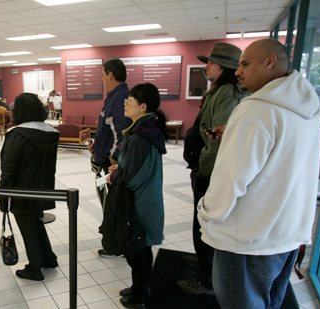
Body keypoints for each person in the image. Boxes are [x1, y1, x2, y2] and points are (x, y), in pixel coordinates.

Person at [197, 39, 320, 309]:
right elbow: (284, 157)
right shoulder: (308, 109)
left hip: (248, 242)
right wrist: (235, 134)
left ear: (270, 62)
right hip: (286, 235)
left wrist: (206, 213)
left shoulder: (255, 109)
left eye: (245, 64)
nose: (238, 71)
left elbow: (230, 178)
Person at [178, 43, 248, 295]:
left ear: (225, 67)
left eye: (211, 62)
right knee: (202, 223)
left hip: (210, 173)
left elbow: (219, 141)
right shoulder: (220, 90)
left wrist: (203, 168)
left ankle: (207, 279)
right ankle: (204, 260)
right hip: (204, 169)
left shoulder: (228, 93)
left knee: (207, 224)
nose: (206, 66)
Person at [107, 83, 167, 308]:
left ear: (143, 107)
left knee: (138, 252)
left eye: (129, 100)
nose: (124, 102)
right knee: (139, 249)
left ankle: (140, 295)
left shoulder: (141, 136)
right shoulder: (144, 130)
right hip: (144, 199)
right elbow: (135, 168)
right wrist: (120, 168)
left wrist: (113, 177)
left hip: (141, 203)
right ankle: (140, 287)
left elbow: (133, 178)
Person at [0, 93, 59, 281]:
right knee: (37, 224)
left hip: (21, 191)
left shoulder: (17, 135)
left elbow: (8, 170)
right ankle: (48, 258)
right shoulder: (50, 132)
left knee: (28, 229)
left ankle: (34, 267)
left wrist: (3, 198)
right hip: (42, 188)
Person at [88, 58, 132, 258]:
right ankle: (113, 236)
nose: (102, 78)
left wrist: (114, 158)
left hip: (110, 164)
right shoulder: (113, 96)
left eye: (103, 74)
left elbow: (120, 133)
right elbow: (107, 129)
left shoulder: (119, 97)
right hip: (103, 157)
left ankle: (116, 242)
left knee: (113, 205)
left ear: (110, 75)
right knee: (110, 204)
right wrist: (95, 144)